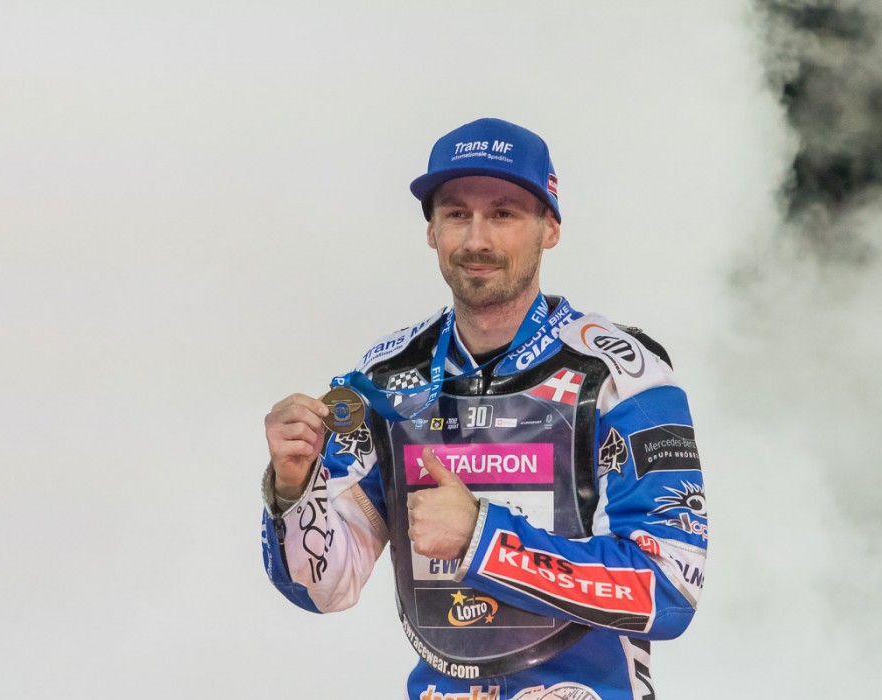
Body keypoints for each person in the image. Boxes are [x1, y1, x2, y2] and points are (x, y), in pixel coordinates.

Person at [260, 117, 707, 700]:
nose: (476, 240)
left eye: (503, 214)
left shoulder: (625, 376)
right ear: (431, 231)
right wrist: (295, 487)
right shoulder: (386, 380)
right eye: (456, 214)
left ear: (550, 228)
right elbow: (325, 588)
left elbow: (670, 589)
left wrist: (482, 537)